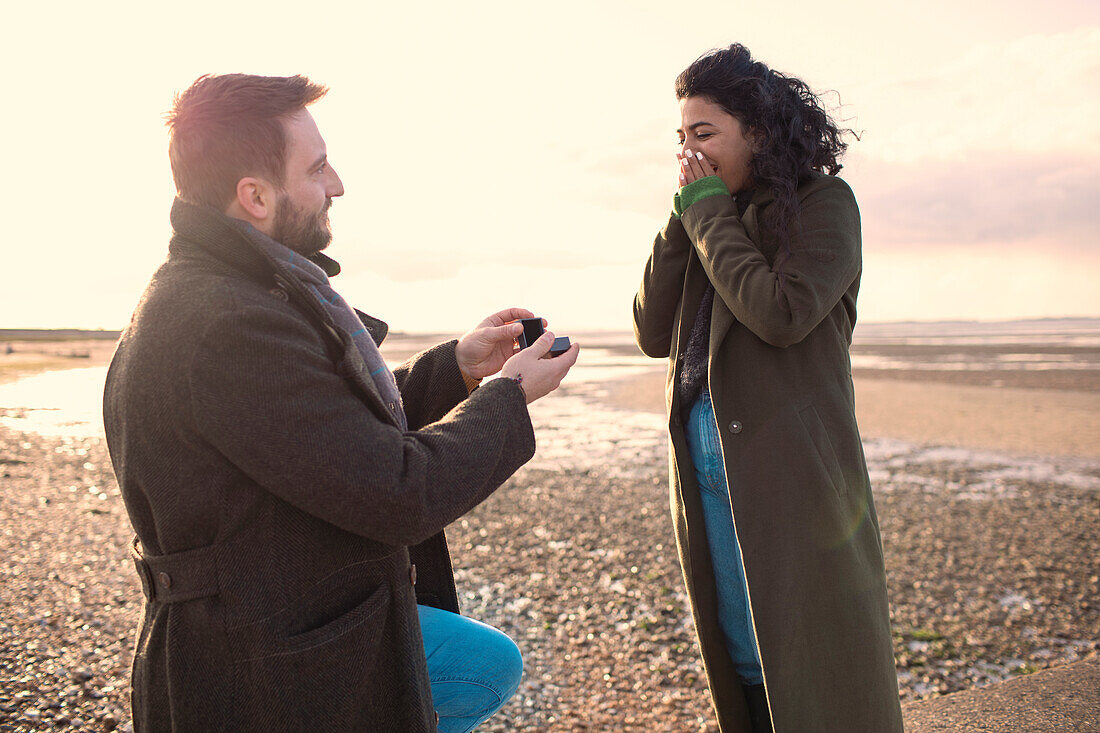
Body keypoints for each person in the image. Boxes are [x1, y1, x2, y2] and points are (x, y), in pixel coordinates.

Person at [102, 73, 579, 732]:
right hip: (263, 672)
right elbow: (397, 490)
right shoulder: (226, 323)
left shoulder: (229, 293)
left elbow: (323, 434)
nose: (338, 184)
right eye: (318, 167)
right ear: (255, 196)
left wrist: (458, 369)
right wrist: (511, 394)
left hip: (277, 627)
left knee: (485, 662)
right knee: (481, 667)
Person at [633, 45, 903, 732]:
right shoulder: (707, 213)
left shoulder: (824, 205)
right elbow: (651, 329)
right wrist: (682, 214)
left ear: (755, 130)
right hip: (706, 474)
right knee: (743, 660)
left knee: (812, 665)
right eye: (682, 137)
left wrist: (706, 216)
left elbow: (780, 315)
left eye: (704, 133)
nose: (689, 150)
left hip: (791, 477)